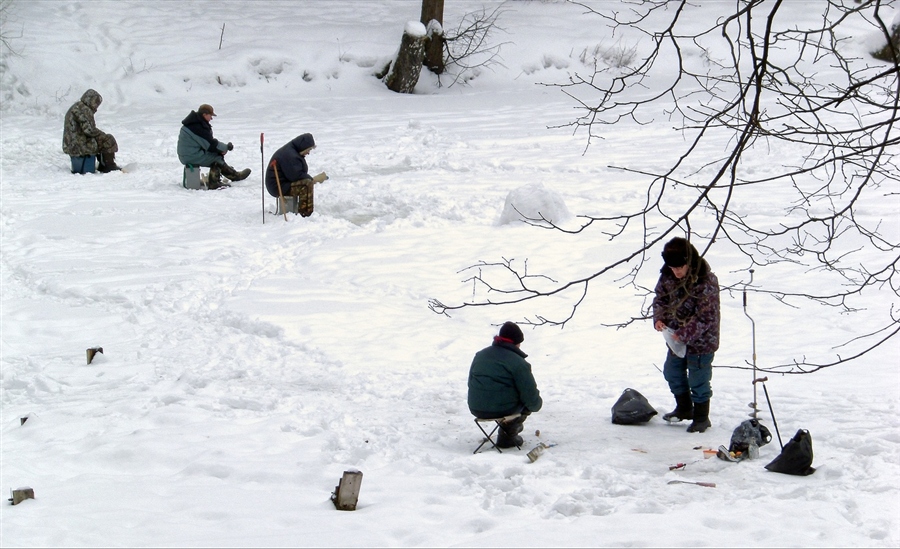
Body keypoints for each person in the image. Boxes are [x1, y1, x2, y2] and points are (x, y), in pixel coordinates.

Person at [652, 237, 720, 433]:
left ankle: (701, 417)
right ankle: (684, 407)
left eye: (679, 267)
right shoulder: (667, 276)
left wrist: (684, 333)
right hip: (675, 339)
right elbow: (660, 299)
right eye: (672, 268)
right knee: (672, 372)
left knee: (698, 379)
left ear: (688, 262)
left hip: (702, 341)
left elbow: (706, 317)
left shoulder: (706, 281)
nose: (676, 272)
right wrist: (659, 318)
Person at [467, 321, 543, 448]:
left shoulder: (480, 355)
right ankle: (508, 434)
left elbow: (470, 382)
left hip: (476, 408)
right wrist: (537, 405)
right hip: (504, 409)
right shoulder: (518, 363)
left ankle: (508, 428)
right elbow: (530, 397)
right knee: (527, 401)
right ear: (516, 342)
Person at [177, 104, 250, 189]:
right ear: (204, 114)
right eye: (210, 116)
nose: (211, 118)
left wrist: (220, 149)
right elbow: (210, 144)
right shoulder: (197, 127)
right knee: (217, 158)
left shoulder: (194, 124)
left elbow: (206, 143)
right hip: (191, 156)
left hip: (189, 154)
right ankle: (217, 182)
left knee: (216, 154)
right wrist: (226, 147)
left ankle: (233, 175)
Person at [265, 133, 328, 217]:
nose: (308, 153)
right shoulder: (289, 155)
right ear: (303, 146)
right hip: (277, 186)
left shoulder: (293, 151)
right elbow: (295, 176)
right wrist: (311, 179)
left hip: (283, 183)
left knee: (307, 182)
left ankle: (306, 212)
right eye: (308, 149)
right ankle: (305, 213)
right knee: (306, 184)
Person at [62, 89, 121, 174]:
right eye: (96, 103)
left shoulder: (77, 106)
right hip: (79, 144)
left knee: (100, 139)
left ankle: (103, 164)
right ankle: (108, 165)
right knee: (108, 139)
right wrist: (102, 135)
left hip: (72, 144)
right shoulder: (84, 109)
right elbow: (89, 130)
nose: (96, 107)